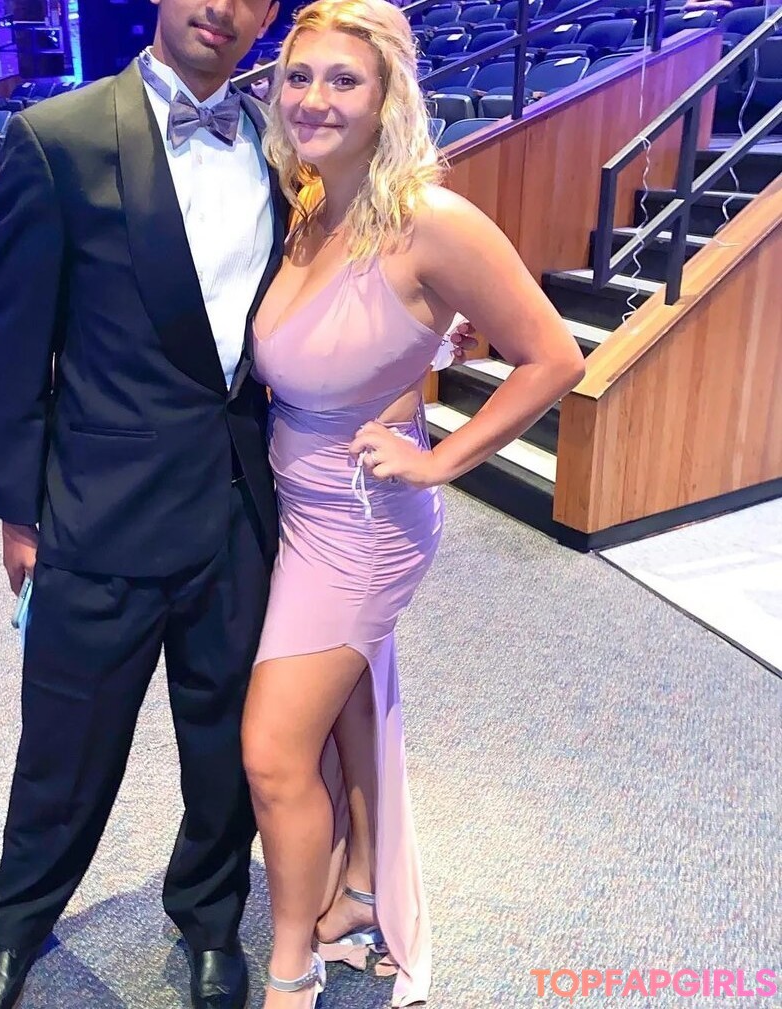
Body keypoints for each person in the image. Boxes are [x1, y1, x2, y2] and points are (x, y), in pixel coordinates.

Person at [0, 1, 474, 1007]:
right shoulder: (57, 137)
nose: (219, 9)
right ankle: (15, 926)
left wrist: (410, 415)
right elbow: (17, 347)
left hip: (246, 510)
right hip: (99, 509)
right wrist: (20, 513)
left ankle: (208, 920)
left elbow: (361, 300)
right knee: (66, 745)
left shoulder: (289, 150)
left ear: (267, 14)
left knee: (225, 748)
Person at [239, 2, 586, 1007]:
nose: (314, 98)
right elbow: (367, 337)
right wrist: (416, 364)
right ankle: (357, 889)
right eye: (299, 76)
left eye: (344, 79)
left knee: (272, 753)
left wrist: (441, 464)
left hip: (362, 525)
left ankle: (292, 968)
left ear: (387, 96)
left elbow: (554, 356)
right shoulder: (311, 204)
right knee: (347, 713)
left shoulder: (430, 218)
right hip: (298, 503)